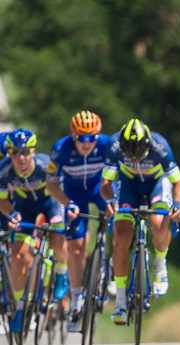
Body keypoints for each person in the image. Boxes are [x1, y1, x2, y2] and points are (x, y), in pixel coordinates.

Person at [101, 119, 180, 325]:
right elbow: (106, 184)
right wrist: (111, 200)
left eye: (138, 155)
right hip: (128, 184)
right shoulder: (113, 146)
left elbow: (179, 185)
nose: (136, 160)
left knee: (158, 223)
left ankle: (160, 264)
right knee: (121, 236)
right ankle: (120, 301)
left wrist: (177, 204)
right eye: (130, 157)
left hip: (157, 183)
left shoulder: (161, 146)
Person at [46, 111, 112, 332]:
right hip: (74, 196)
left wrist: (114, 198)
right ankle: (76, 301)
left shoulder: (107, 145)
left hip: (98, 190)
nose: (87, 143)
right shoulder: (61, 149)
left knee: (120, 221)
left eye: (92, 137)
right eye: (82, 138)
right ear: (73, 135)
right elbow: (52, 186)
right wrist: (67, 203)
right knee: (76, 249)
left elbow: (118, 175)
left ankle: (109, 264)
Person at [0, 128, 69, 332]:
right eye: (15, 152)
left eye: (25, 152)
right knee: (18, 255)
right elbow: (2, 200)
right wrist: (11, 214)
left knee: (58, 240)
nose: (20, 157)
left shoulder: (44, 165)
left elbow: (62, 189)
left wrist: (68, 207)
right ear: (9, 153)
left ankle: (61, 273)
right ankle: (21, 307)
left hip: (51, 203)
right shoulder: (4, 171)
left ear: (33, 151)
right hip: (25, 207)